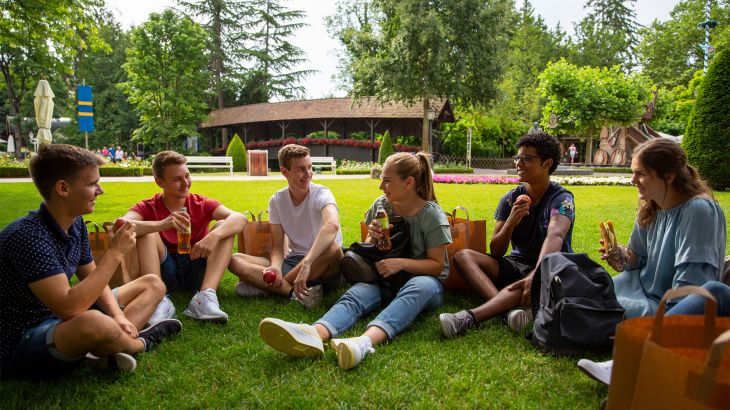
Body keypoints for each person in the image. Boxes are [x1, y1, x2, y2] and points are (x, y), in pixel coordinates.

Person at [0, 144, 182, 378]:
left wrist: (117, 316)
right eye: (92, 184)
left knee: (153, 284)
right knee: (92, 322)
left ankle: (106, 346)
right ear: (63, 188)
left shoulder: (75, 224)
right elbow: (69, 307)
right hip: (23, 337)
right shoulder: (28, 237)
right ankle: (141, 343)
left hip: (61, 320)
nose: (101, 190)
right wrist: (115, 253)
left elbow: (94, 280)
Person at [258, 152, 452, 369]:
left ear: (409, 182)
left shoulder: (431, 214)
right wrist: (373, 237)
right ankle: (314, 333)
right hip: (385, 278)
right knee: (355, 294)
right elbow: (369, 248)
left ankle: (363, 342)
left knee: (419, 286)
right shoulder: (382, 205)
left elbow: (437, 266)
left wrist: (401, 263)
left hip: (422, 281)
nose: (381, 186)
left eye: (387, 180)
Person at [578, 138, 728, 385]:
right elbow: (637, 258)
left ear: (668, 176)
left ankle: (628, 359)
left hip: (671, 302)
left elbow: (692, 285)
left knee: (598, 308)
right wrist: (618, 254)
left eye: (640, 174)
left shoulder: (699, 210)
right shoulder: (652, 206)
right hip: (640, 285)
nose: (632, 180)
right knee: (588, 291)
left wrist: (670, 317)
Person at [439, 132, 575, 337]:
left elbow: (555, 236)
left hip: (551, 267)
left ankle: (467, 318)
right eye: (518, 158)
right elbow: (496, 251)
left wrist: (536, 275)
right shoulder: (510, 199)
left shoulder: (562, 199)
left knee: (535, 279)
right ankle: (508, 312)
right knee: (462, 256)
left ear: (547, 163)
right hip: (516, 263)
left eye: (527, 159)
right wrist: (511, 221)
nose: (519, 163)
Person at [120, 151, 246, 323]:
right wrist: (162, 224)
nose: (185, 183)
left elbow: (240, 218)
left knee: (224, 226)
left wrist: (213, 236)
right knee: (146, 232)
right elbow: (119, 225)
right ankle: (157, 298)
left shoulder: (200, 203)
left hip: (197, 265)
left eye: (187, 176)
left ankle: (205, 298)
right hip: (165, 270)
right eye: (177, 179)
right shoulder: (149, 206)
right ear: (159, 182)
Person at [228, 144, 343, 309]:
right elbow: (277, 247)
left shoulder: (322, 193)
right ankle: (294, 293)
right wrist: (275, 267)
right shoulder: (277, 200)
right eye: (301, 169)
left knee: (333, 249)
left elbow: (332, 225)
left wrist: (307, 264)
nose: (308, 174)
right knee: (234, 259)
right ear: (284, 172)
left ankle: (270, 287)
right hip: (293, 261)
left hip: (321, 263)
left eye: (310, 167)